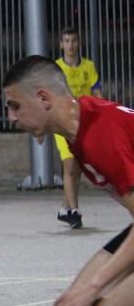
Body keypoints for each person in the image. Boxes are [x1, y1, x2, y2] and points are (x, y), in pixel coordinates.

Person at [3, 55, 134, 306]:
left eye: (15, 106)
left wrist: (96, 287)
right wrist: (85, 288)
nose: (11, 117)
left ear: (43, 97)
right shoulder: (80, 131)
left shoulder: (100, 135)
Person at [53, 27, 104, 228]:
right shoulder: (56, 68)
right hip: (63, 123)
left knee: (78, 168)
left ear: (79, 43)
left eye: (73, 41)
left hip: (83, 123)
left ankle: (64, 208)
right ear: (61, 44)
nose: (70, 45)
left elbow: (97, 92)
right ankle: (74, 212)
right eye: (66, 41)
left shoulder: (88, 67)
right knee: (70, 165)